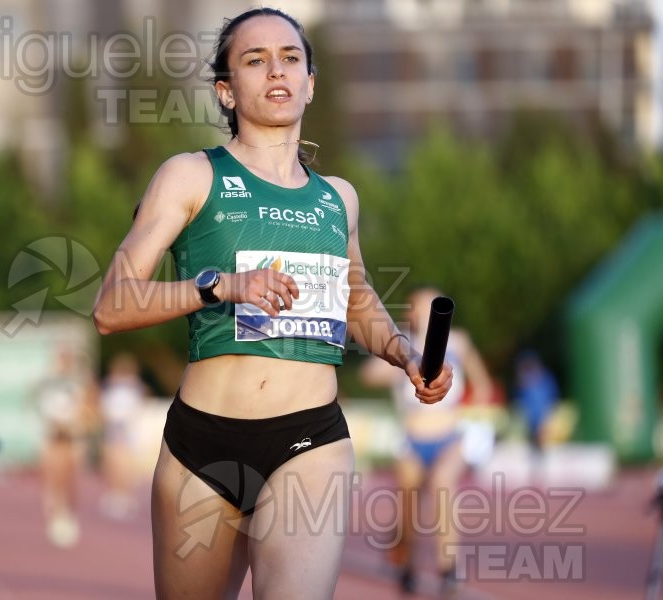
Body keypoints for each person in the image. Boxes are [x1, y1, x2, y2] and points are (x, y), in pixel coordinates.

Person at [92, 8, 453, 598]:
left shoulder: (339, 198)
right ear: (226, 91)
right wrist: (223, 285)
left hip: (310, 441)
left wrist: (404, 352)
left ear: (312, 82)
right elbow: (112, 306)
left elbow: (356, 297)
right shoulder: (190, 176)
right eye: (255, 61)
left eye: (290, 59)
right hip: (199, 446)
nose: (276, 72)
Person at [359, 286, 492, 597]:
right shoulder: (401, 345)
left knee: (443, 486)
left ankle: (449, 569)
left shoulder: (458, 341)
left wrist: (474, 412)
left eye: (428, 306)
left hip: (449, 438)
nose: (422, 313)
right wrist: (400, 368)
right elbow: (368, 374)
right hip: (412, 441)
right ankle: (405, 559)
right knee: (408, 503)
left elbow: (482, 383)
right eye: (417, 307)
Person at [31, 344, 96, 548]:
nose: (64, 361)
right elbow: (37, 402)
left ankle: (68, 513)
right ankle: (55, 514)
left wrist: (79, 422)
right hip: (52, 432)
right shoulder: (47, 380)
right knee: (52, 473)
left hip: (73, 433)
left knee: (70, 474)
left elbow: (90, 404)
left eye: (67, 357)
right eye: (61, 357)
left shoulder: (80, 380)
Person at [97, 352, 147, 520]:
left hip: (127, 429)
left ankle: (125, 494)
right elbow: (104, 408)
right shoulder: (109, 387)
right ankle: (114, 493)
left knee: (124, 463)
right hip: (113, 428)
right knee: (112, 462)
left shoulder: (134, 387)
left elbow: (136, 407)